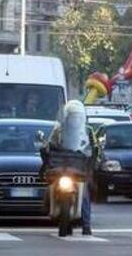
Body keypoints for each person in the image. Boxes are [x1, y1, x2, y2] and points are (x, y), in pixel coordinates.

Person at [41, 100, 101, 235]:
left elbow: (94, 146)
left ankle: (86, 225)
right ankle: (50, 205)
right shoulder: (59, 129)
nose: (74, 118)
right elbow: (50, 144)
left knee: (85, 193)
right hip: (61, 165)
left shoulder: (88, 130)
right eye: (72, 115)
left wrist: (94, 157)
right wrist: (46, 149)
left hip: (79, 165)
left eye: (77, 116)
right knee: (50, 183)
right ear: (66, 116)